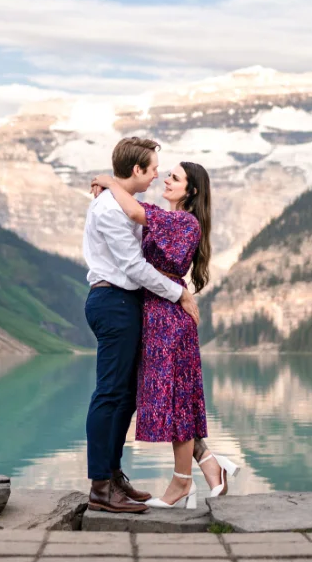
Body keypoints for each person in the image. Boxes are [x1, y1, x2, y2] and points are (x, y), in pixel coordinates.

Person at [91, 159, 240, 510]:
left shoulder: (183, 221)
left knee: (176, 398)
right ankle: (208, 463)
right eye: (167, 174)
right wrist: (108, 185)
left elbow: (132, 209)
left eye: (175, 178)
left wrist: (110, 182)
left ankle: (182, 484)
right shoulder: (168, 216)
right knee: (174, 398)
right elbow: (133, 210)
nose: (167, 180)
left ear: (192, 191)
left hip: (169, 316)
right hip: (157, 311)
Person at [83, 137, 202, 514]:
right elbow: (134, 268)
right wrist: (179, 294)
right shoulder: (110, 209)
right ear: (136, 170)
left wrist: (109, 180)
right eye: (152, 170)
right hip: (114, 301)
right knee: (110, 393)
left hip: (125, 303)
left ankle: (113, 475)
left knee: (125, 395)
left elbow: (142, 217)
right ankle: (100, 486)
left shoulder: (123, 202)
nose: (156, 177)